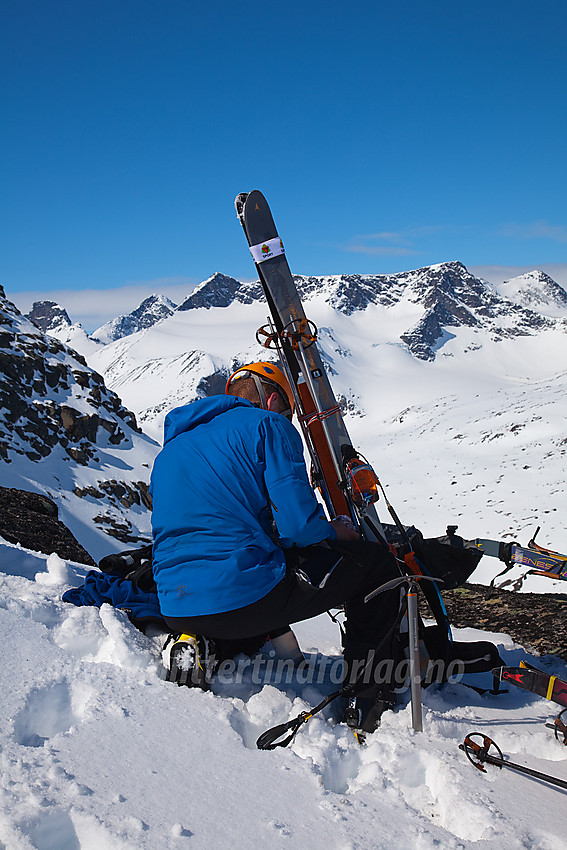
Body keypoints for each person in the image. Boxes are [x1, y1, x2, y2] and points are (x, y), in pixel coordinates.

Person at [150, 362, 403, 731]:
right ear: (272, 400)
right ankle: (366, 696)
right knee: (377, 567)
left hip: (175, 603)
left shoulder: (169, 451)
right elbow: (297, 527)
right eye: (287, 410)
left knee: (250, 574)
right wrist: (334, 530)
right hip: (242, 599)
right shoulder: (269, 425)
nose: (288, 418)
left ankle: (205, 646)